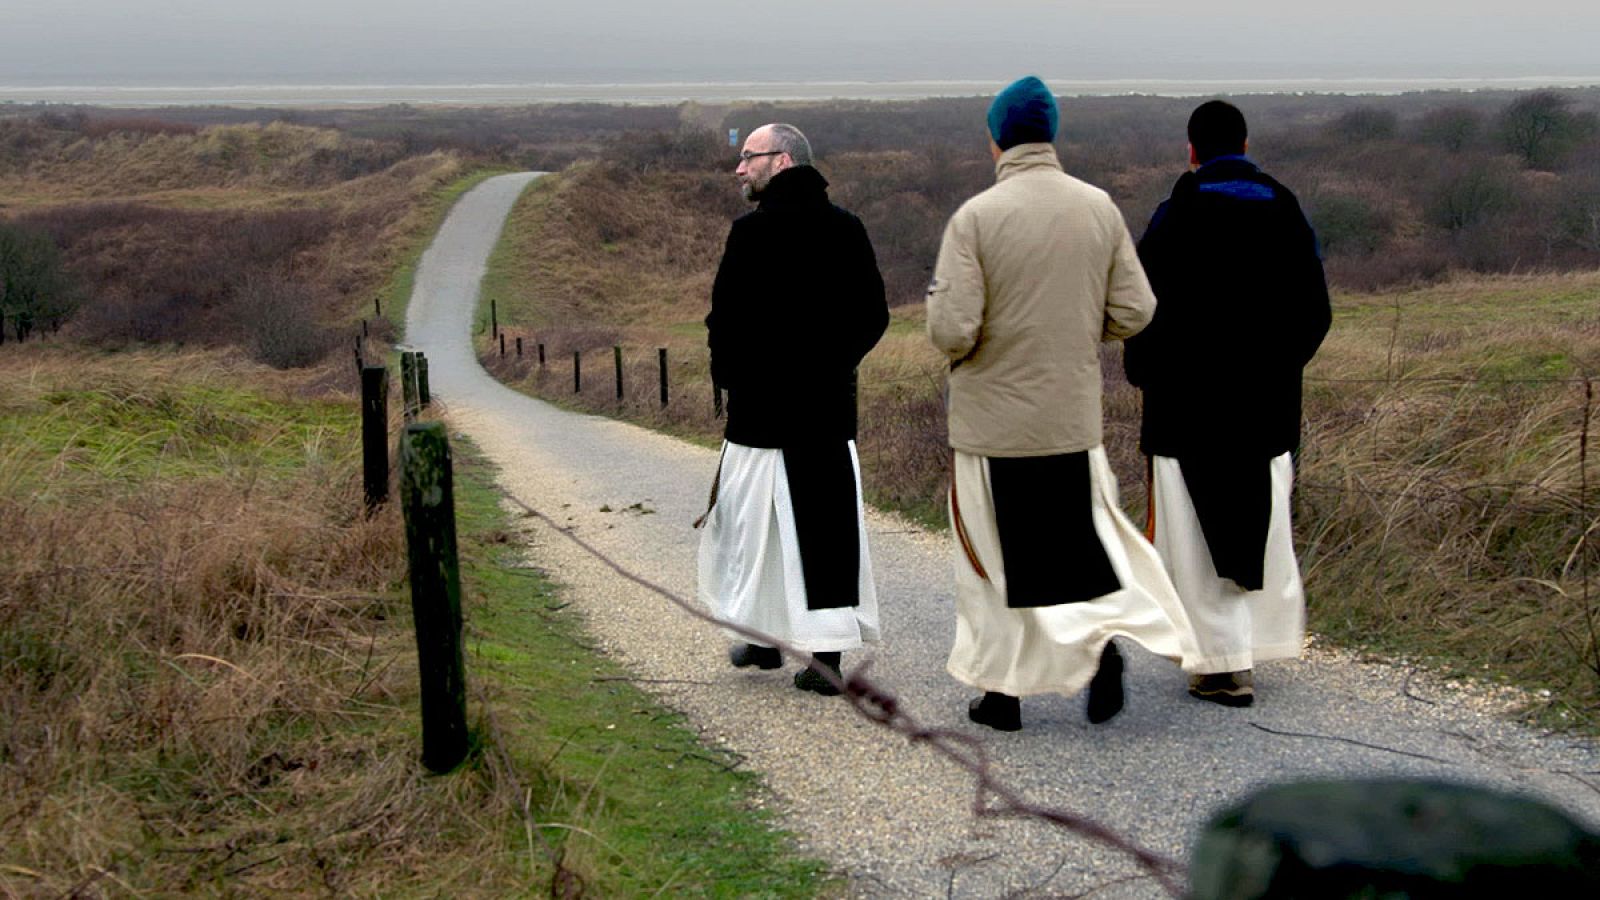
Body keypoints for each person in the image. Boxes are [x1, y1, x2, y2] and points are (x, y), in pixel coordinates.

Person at [927, 77, 1199, 731]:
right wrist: (1077, 333)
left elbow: (952, 329)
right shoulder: (1097, 207)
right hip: (1071, 419)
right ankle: (1098, 649)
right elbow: (1137, 309)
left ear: (995, 137)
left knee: (993, 559)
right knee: (1072, 551)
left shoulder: (976, 218)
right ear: (1051, 133)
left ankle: (1001, 695)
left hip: (993, 423)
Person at [1124, 99, 1331, 708]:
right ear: (1244, 142)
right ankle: (1257, 643)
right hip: (1265, 407)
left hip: (1187, 407)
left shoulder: (1176, 215)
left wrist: (1149, 373)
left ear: (1192, 150)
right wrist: (1278, 368)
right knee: (1258, 527)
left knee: (1192, 536)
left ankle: (1219, 664)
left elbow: (1141, 309)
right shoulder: (1285, 209)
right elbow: (1314, 311)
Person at [697, 123, 889, 696]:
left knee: (752, 527)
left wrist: (735, 377)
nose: (739, 168)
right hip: (824, 412)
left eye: (747, 157)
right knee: (819, 533)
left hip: (761, 413)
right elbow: (872, 315)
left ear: (781, 161)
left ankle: (766, 642)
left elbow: (723, 321)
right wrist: (832, 366)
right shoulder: (845, 229)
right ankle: (805, 653)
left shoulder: (750, 235)